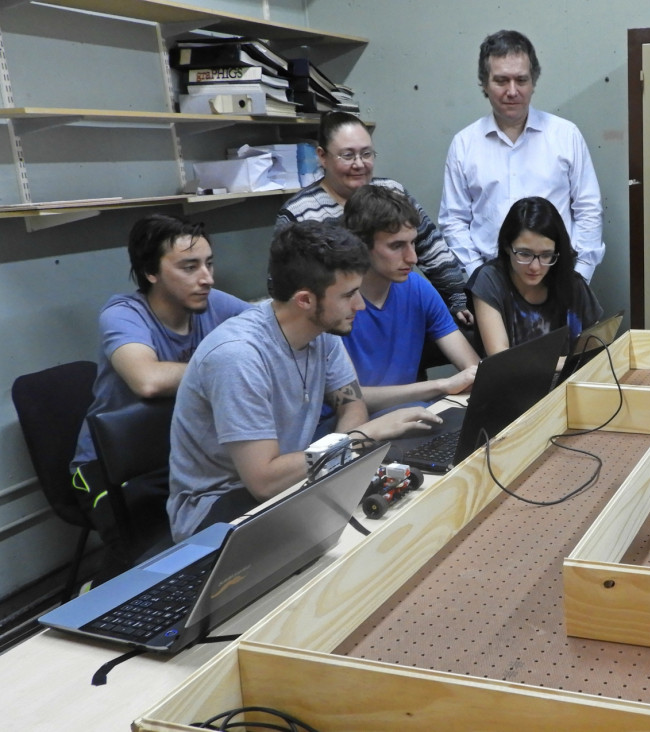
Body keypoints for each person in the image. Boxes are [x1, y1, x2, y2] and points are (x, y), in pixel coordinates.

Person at [167, 221, 441, 543]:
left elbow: (351, 402)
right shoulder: (237, 357)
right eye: (350, 295)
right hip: (218, 508)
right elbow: (264, 482)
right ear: (305, 300)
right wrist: (359, 437)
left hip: (291, 476)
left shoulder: (322, 330)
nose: (360, 306)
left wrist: (341, 451)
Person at [70, 214, 251, 569]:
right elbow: (147, 379)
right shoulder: (123, 314)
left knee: (232, 532)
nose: (207, 278)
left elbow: (273, 330)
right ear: (150, 272)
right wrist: (222, 367)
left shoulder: (214, 302)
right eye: (189, 267)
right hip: (108, 468)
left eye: (209, 264)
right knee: (153, 563)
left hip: (180, 454)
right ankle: (96, 595)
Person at [276, 111, 472, 325]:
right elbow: (283, 286)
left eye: (366, 154)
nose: (359, 164)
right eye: (347, 155)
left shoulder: (392, 192)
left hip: (395, 313)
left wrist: (457, 298)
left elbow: (432, 248)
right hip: (334, 327)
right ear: (323, 156)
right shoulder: (300, 212)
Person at [440, 30, 604, 283]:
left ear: (533, 82)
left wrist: (580, 274)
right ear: (485, 83)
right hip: (491, 280)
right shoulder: (464, 144)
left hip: (557, 278)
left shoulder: (565, 135)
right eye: (501, 80)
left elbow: (588, 209)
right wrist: (477, 275)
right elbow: (454, 220)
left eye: (521, 80)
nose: (512, 91)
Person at [341, 185, 480, 413]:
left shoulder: (417, 287)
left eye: (413, 242)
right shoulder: (335, 302)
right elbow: (352, 399)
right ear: (361, 246)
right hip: (351, 430)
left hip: (413, 415)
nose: (412, 257)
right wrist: (443, 385)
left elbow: (473, 368)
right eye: (397, 246)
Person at [469, 196, 602, 356]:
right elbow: (499, 356)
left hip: (568, 379)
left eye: (546, 255)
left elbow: (596, 346)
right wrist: (564, 362)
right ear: (506, 246)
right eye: (525, 254)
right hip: (510, 379)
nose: (535, 266)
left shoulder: (572, 282)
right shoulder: (489, 279)